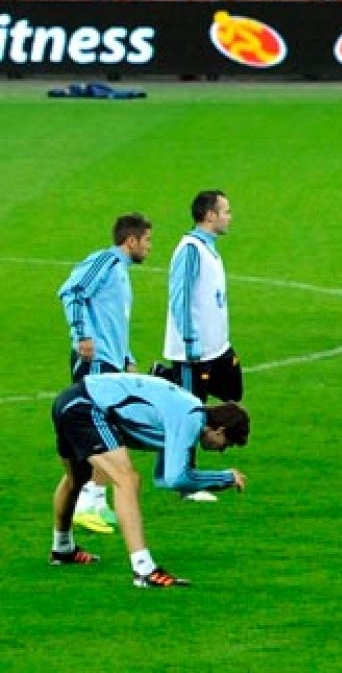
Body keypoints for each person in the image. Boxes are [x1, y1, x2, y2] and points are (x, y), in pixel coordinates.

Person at [48, 372, 249, 588]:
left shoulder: (186, 412)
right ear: (220, 430)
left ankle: (63, 548)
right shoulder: (191, 419)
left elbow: (162, 478)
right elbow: (177, 479)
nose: (222, 450)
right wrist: (224, 477)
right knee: (127, 480)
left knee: (77, 478)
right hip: (87, 406)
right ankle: (143, 569)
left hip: (70, 400)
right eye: (226, 443)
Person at [57, 213, 154, 533]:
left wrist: (127, 358)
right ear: (131, 240)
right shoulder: (106, 261)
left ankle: (96, 501)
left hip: (112, 362)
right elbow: (72, 292)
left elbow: (113, 321)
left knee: (113, 429)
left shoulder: (122, 273)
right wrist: (81, 334)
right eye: (147, 240)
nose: (149, 247)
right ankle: (88, 500)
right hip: (95, 362)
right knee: (103, 430)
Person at [162, 190, 240, 406]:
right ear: (209, 215)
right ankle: (165, 378)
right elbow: (181, 298)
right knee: (191, 410)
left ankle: (165, 377)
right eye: (226, 211)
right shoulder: (191, 250)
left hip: (217, 346)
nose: (229, 217)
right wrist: (190, 342)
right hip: (194, 352)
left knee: (233, 392)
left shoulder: (208, 247)